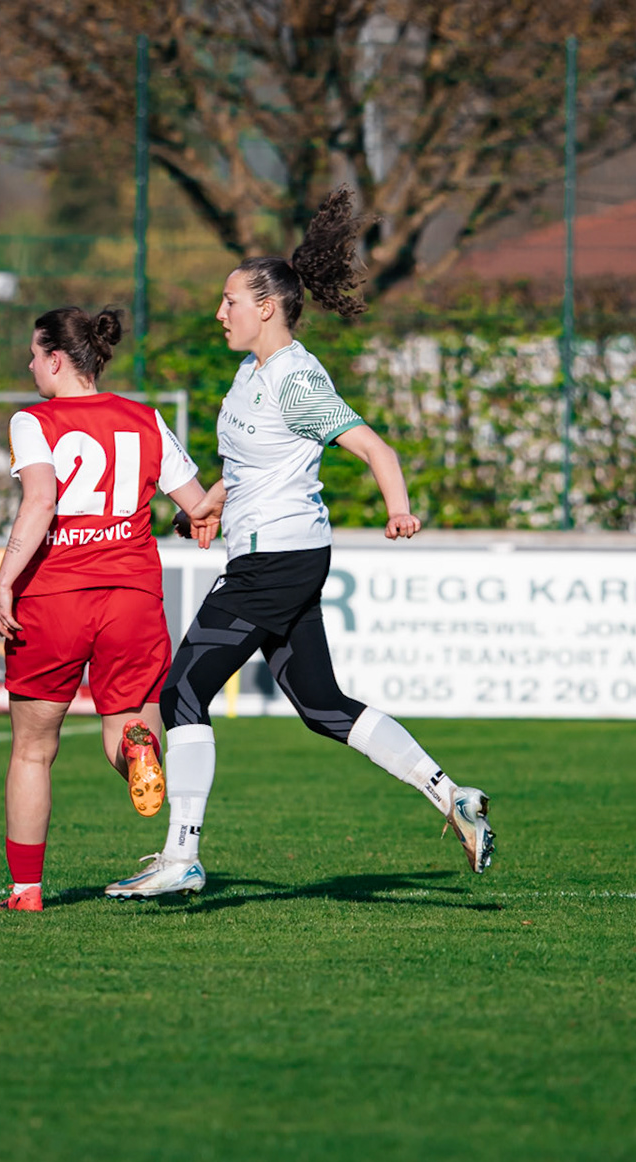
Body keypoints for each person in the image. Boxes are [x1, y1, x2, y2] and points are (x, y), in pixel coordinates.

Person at [105, 190, 496, 901]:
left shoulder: (296, 378)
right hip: (272, 552)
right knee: (320, 705)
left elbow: (373, 446)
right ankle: (452, 795)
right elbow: (253, 468)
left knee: (182, 690)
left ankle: (181, 856)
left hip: (276, 559)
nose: (218, 312)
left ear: (267, 307)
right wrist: (209, 507)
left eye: (229, 300)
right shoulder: (249, 376)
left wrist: (399, 509)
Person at [0, 305, 216, 912]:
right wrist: (189, 516)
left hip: (54, 598)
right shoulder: (144, 418)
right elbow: (198, 506)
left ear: (57, 359)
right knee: (124, 727)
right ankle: (140, 751)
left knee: (34, 750)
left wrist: (5, 579)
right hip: (132, 597)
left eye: (35, 355)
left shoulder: (35, 420)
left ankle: (26, 891)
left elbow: (40, 502)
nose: (31, 365)